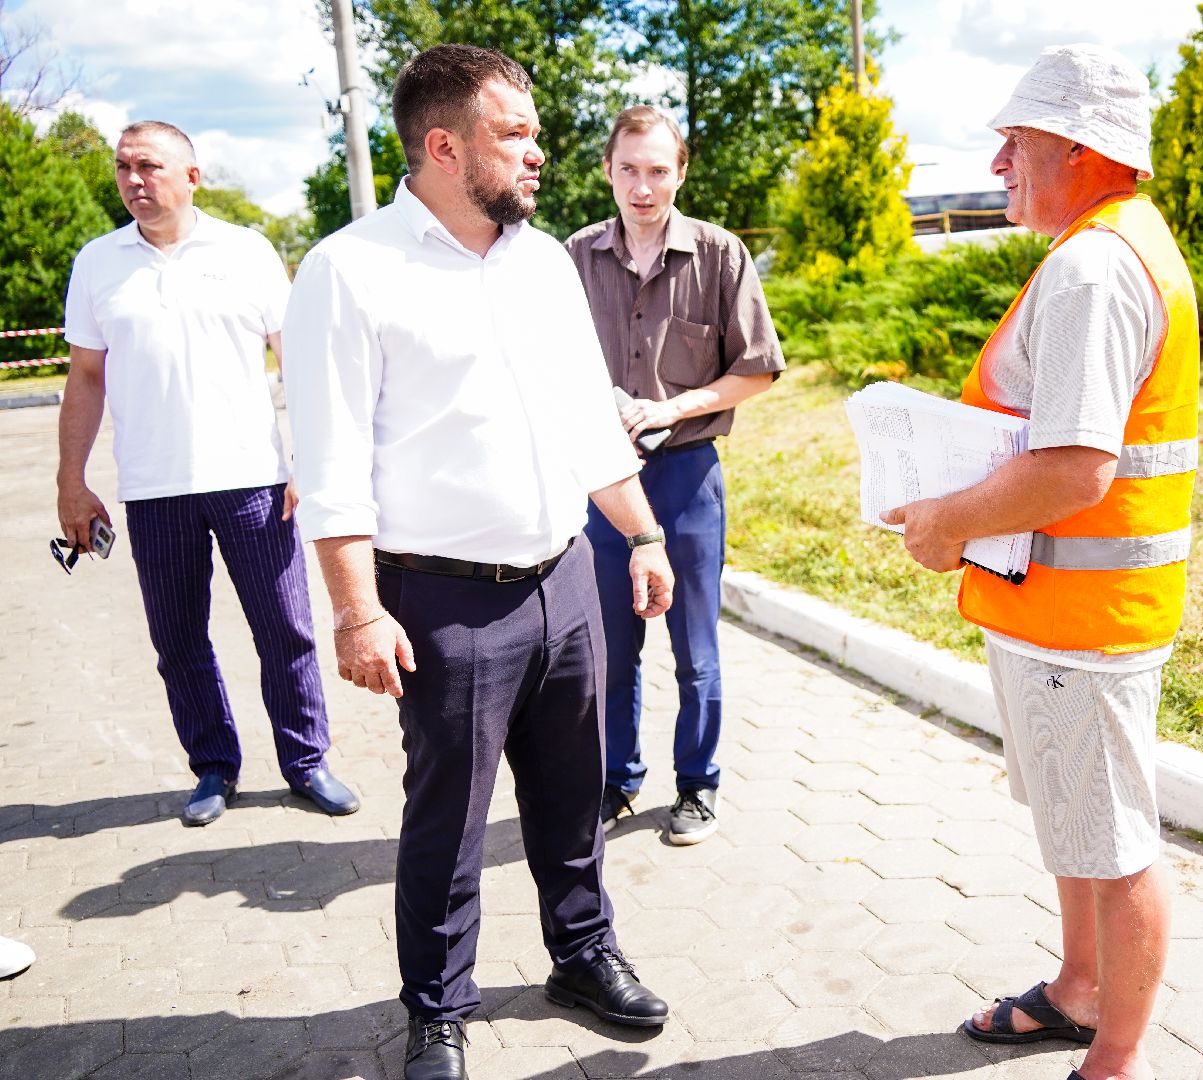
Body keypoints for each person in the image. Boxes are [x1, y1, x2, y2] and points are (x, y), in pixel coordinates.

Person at [281, 45, 674, 1080]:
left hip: (566, 579)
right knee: (448, 822)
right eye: (515, 134)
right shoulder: (349, 270)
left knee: (572, 793)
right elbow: (327, 466)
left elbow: (587, 419)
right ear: (445, 147)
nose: (539, 154)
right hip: (444, 602)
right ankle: (437, 1011)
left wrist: (639, 532)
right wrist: (358, 611)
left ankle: (583, 955)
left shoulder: (543, 260)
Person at [881, 44, 1199, 1080]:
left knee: (1113, 841)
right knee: (1077, 820)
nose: (1001, 157)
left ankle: (1113, 1058)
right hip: (1060, 608)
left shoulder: (1098, 269)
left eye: (1019, 138)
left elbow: (1075, 470)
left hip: (1084, 619)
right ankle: (1077, 990)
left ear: (1081, 145)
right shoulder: (1103, 248)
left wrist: (943, 523)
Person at [58, 120, 358, 828]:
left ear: (192, 176)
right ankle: (213, 767)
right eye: (124, 168)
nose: (135, 180)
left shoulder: (247, 252)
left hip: (253, 477)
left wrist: (309, 459)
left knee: (285, 628)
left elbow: (297, 359)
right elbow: (85, 377)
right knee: (179, 638)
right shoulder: (98, 264)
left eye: (150, 166)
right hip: (153, 489)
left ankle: (306, 760)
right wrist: (71, 479)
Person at [565, 105, 784, 846]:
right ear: (607, 171)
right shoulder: (573, 258)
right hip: (600, 483)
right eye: (628, 169)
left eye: (659, 170)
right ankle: (616, 780)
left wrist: (675, 407)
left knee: (696, 651)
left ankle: (698, 784)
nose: (643, 186)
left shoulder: (720, 255)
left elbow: (758, 371)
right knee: (610, 650)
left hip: (688, 478)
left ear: (681, 172)